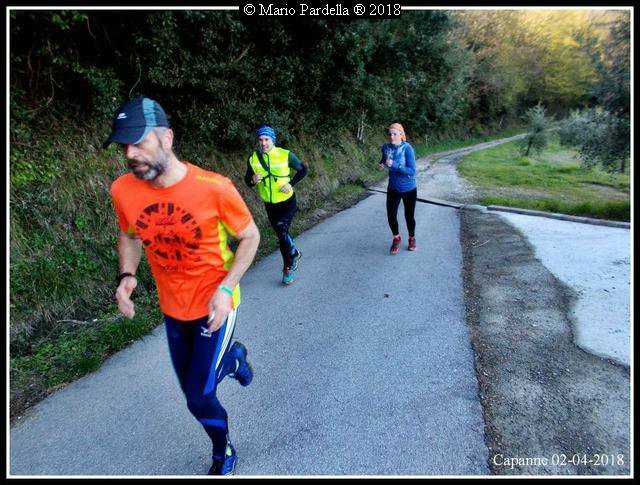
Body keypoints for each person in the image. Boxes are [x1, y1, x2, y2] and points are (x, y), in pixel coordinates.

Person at [105, 97, 261, 475]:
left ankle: (223, 452)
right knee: (191, 389)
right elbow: (129, 235)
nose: (130, 154)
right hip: (173, 308)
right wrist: (127, 276)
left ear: (167, 139)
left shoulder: (214, 187)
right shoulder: (123, 190)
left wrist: (226, 289)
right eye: (125, 146)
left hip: (215, 304)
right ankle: (234, 360)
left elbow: (251, 237)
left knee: (198, 396)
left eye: (139, 142)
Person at [244, 125, 308, 284]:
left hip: (287, 202)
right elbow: (248, 181)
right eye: (260, 140)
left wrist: (290, 184)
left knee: (281, 229)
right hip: (270, 205)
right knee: (281, 234)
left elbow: (303, 170)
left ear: (273, 140)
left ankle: (288, 267)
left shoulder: (285, 155)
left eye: (266, 139)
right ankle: (294, 254)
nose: (263, 143)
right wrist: (252, 180)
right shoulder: (253, 158)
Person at [378, 123, 417, 254]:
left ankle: (412, 238)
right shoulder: (386, 147)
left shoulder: (407, 149)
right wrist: (381, 164)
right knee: (391, 215)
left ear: (401, 134)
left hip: (409, 188)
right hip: (393, 187)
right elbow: (384, 159)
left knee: (409, 216)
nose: (392, 137)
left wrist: (395, 165)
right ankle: (396, 238)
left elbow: (412, 171)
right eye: (390, 134)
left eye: (395, 134)